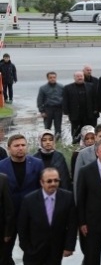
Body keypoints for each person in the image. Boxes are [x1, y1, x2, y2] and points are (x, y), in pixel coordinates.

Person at [0, 134, 45, 265]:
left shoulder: (37, 164)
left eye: (23, 145)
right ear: (9, 148)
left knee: (32, 253)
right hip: (8, 218)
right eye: (16, 146)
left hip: (31, 217)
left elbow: (42, 189)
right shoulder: (1, 166)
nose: (20, 148)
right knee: (4, 254)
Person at [17, 167, 77, 265]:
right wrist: (27, 248)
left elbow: (72, 224)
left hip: (56, 251)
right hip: (33, 252)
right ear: (41, 182)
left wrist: (69, 247)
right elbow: (22, 226)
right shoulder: (29, 200)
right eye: (49, 181)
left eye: (56, 180)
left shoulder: (67, 197)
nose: (53, 183)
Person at [62, 71, 98, 142]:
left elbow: (96, 99)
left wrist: (96, 109)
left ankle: (91, 144)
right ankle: (75, 146)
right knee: (76, 132)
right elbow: (65, 101)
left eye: (81, 76)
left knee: (90, 132)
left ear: (83, 77)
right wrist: (66, 111)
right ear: (74, 78)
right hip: (75, 115)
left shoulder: (91, 86)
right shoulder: (68, 88)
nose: (80, 78)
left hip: (89, 115)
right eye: (78, 76)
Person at [37, 72, 64, 139]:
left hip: (58, 109)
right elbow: (40, 100)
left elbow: (65, 99)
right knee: (47, 127)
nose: (52, 79)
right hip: (48, 109)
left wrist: (65, 109)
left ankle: (58, 141)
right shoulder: (43, 88)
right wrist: (42, 111)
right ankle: (47, 140)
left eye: (54, 77)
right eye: (51, 78)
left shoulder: (61, 87)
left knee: (58, 127)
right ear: (48, 78)